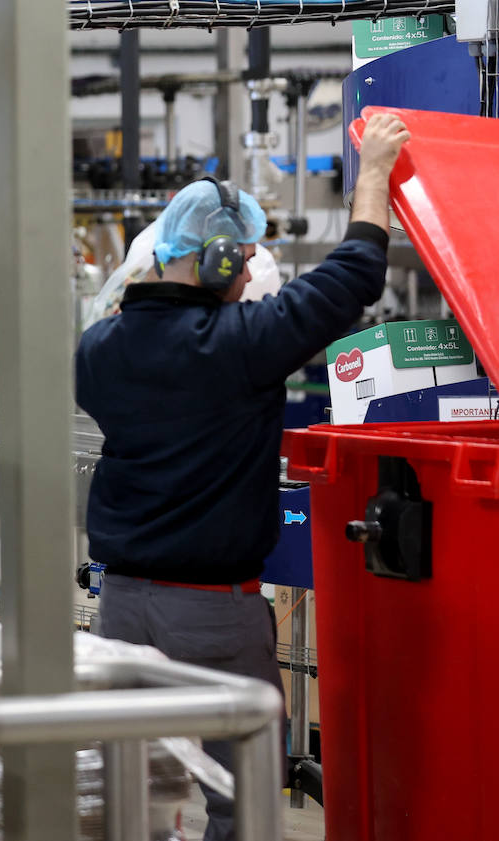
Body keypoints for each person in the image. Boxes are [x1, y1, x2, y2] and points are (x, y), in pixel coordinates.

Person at [74, 112, 410, 841]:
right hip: (213, 616)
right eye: (247, 256)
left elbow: (133, 329)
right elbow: (354, 274)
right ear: (223, 262)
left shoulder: (99, 352)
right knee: (246, 794)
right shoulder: (241, 345)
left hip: (123, 607)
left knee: (130, 791)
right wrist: (376, 172)